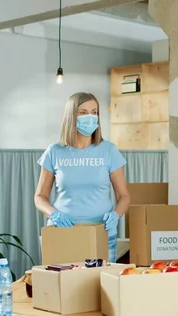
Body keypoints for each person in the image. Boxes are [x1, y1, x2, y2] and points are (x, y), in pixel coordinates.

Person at [34, 92, 131, 263]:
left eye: (94, 112)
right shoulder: (55, 151)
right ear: (71, 116)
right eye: (83, 112)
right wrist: (54, 214)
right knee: (62, 285)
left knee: (100, 286)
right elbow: (40, 197)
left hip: (100, 233)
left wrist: (116, 214)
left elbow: (123, 196)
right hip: (62, 234)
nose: (91, 117)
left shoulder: (109, 151)